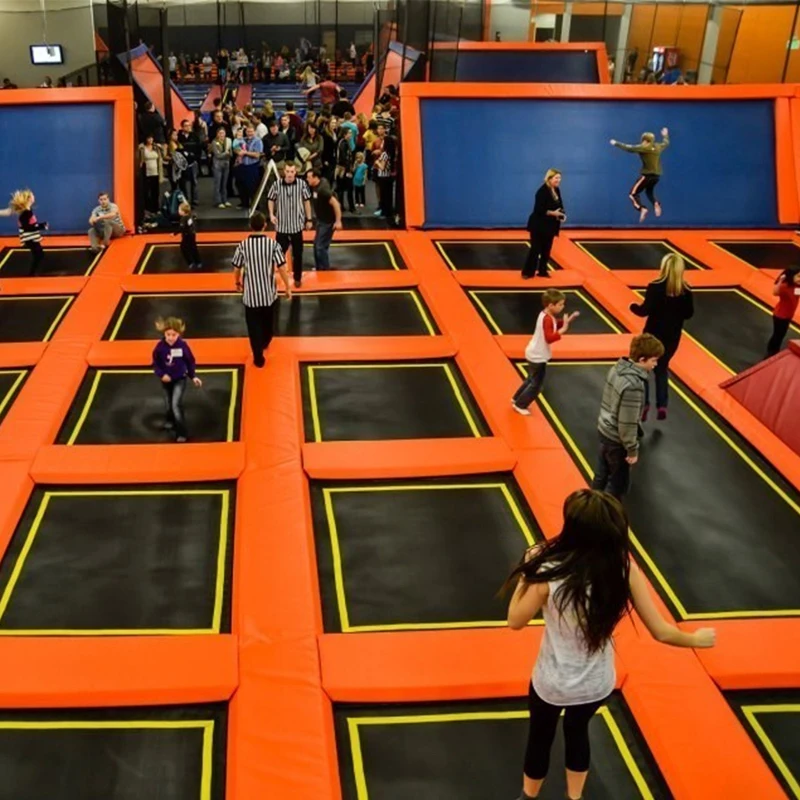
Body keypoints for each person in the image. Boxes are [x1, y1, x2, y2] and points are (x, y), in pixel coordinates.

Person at [505, 489, 716, 800]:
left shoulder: (550, 572)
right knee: (578, 734)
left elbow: (515, 620)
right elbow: (661, 632)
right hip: (595, 683)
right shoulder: (622, 569)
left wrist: (529, 568)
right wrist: (695, 639)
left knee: (540, 737)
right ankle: (574, 798)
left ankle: (529, 797)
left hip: (552, 681)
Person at [592, 333, 664, 499]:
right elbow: (627, 422)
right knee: (617, 486)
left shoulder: (616, 369)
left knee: (600, 477)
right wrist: (632, 450)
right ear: (642, 359)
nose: (655, 364)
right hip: (617, 440)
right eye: (654, 360)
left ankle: (590, 506)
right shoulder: (634, 385)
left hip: (604, 430)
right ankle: (607, 512)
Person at [630, 253, 694, 419]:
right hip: (672, 337)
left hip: (653, 334)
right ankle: (662, 405)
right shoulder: (686, 290)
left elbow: (644, 310)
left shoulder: (655, 287)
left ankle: (644, 404)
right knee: (662, 368)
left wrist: (633, 307)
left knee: (643, 368)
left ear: (664, 267)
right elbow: (689, 314)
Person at [232, 212, 292, 367]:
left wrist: (237, 282)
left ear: (250, 226)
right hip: (268, 295)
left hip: (250, 296)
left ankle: (258, 357)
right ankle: (265, 341)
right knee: (268, 323)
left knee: (253, 327)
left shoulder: (243, 246)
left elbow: (237, 267)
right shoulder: (273, 245)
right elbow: (282, 267)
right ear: (265, 225)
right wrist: (287, 287)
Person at [512, 290, 579, 416]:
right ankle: (520, 404)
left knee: (530, 379)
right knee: (537, 385)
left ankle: (516, 398)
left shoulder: (545, 315)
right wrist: (563, 330)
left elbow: (555, 324)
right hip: (538, 356)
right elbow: (549, 338)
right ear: (551, 305)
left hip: (533, 352)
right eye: (560, 304)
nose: (562, 307)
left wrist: (568, 321)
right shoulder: (547, 319)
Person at [152, 317, 202, 443]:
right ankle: (170, 422)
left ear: (179, 334)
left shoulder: (182, 346)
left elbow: (190, 361)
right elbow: (156, 363)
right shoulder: (160, 347)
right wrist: (161, 374)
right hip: (166, 381)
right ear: (164, 333)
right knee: (168, 403)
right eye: (168, 334)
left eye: (173, 335)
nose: (170, 338)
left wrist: (193, 376)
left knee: (176, 404)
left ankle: (182, 433)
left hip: (180, 379)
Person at [267, 163, 313, 288]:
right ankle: (271, 277)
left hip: (297, 226)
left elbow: (307, 201)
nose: (290, 174)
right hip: (282, 227)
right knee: (277, 255)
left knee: (298, 254)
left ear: (295, 172)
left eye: (292, 171)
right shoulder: (276, 185)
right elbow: (270, 199)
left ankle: (297, 278)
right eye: (288, 171)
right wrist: (271, 214)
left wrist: (309, 219)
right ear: (284, 172)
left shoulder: (302, 184)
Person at [610, 128, 669, 223]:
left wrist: (615, 143)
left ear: (645, 140)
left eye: (643, 140)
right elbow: (666, 143)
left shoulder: (643, 147)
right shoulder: (658, 147)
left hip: (646, 176)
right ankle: (656, 203)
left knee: (632, 194)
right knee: (649, 192)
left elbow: (629, 148)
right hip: (656, 177)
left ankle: (642, 208)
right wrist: (665, 135)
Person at [523, 169, 565, 279]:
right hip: (538, 225)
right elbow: (539, 210)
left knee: (546, 249)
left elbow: (560, 205)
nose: (559, 180)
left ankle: (543, 271)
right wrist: (553, 213)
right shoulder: (542, 191)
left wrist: (561, 214)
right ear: (549, 178)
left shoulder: (557, 190)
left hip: (550, 226)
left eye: (560, 178)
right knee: (535, 249)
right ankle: (528, 272)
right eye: (556, 178)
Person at [307, 169, 342, 271]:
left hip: (327, 222)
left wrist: (338, 221)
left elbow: (336, 203)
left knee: (320, 247)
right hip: (321, 220)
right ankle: (319, 267)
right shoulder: (318, 184)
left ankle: (325, 270)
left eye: (309, 177)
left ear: (315, 178)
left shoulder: (323, 190)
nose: (307, 179)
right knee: (316, 245)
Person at [9, 189, 47, 276]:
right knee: (39, 255)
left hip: (32, 237)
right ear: (29, 199)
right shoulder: (26, 213)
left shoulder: (28, 211)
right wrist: (40, 226)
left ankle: (33, 273)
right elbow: (27, 227)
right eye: (32, 196)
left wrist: (41, 225)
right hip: (29, 238)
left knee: (39, 254)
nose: (34, 197)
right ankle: (31, 274)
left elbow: (31, 224)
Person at [766, 267, 800, 357]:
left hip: (788, 315)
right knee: (777, 335)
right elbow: (775, 292)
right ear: (791, 276)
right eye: (798, 276)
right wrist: (780, 281)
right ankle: (771, 351)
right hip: (780, 316)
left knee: (781, 334)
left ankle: (775, 350)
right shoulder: (785, 286)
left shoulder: (797, 286)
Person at [233, 124, 264, 210]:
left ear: (254, 132)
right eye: (248, 131)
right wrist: (237, 151)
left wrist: (245, 153)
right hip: (241, 166)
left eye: (251, 131)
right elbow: (235, 148)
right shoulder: (241, 140)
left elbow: (257, 155)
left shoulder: (258, 141)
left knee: (252, 186)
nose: (249, 133)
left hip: (252, 167)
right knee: (240, 185)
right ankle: (244, 203)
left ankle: (255, 205)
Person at [138, 135, 163, 214]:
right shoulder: (142, 148)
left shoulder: (156, 147)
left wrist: (161, 148)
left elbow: (162, 155)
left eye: (152, 138)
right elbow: (140, 158)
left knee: (155, 191)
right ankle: (147, 208)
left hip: (156, 172)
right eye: (149, 138)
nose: (150, 140)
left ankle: (156, 208)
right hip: (147, 172)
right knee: (147, 191)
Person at [173, 201, 201, 271]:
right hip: (192, 234)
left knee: (183, 248)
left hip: (186, 235)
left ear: (183, 211)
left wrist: (175, 233)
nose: (178, 211)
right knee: (193, 248)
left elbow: (181, 228)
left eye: (179, 210)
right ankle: (198, 262)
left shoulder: (183, 219)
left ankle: (190, 262)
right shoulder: (190, 216)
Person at [210, 126, 233, 208]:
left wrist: (228, 154)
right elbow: (217, 155)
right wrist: (226, 153)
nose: (222, 135)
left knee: (224, 183)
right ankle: (218, 201)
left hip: (226, 164)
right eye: (220, 133)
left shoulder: (228, 141)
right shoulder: (214, 142)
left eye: (223, 133)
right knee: (218, 183)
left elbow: (231, 153)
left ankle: (225, 200)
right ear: (217, 134)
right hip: (217, 165)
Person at [335, 128, 355, 213]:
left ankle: (341, 207)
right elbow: (344, 157)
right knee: (349, 188)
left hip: (341, 169)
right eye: (349, 133)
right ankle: (351, 207)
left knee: (341, 188)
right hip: (345, 169)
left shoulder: (341, 142)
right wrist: (349, 169)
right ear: (344, 134)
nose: (350, 134)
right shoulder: (344, 144)